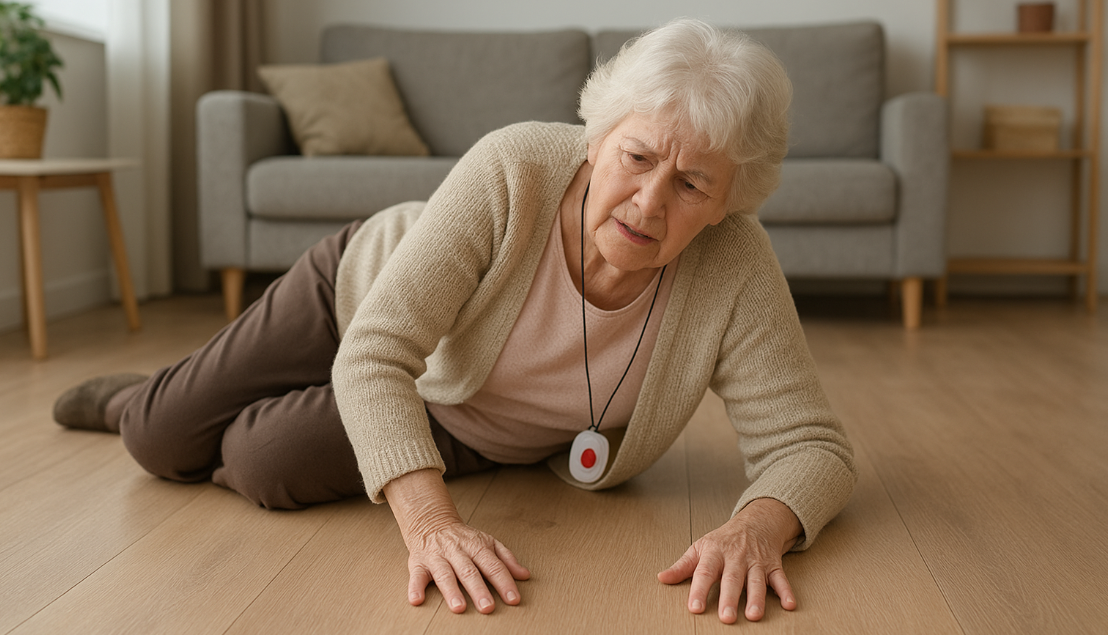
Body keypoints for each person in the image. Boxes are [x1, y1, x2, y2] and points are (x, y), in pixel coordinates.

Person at [53, 18, 856, 624]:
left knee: (265, 460)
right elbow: (375, 355)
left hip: (464, 414)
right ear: (600, 136)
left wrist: (759, 526)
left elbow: (810, 444)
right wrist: (431, 524)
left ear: (728, 203)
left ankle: (226, 406)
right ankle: (153, 395)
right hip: (358, 302)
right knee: (161, 439)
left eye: (692, 184)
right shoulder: (516, 166)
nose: (649, 202)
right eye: (638, 157)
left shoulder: (736, 262)